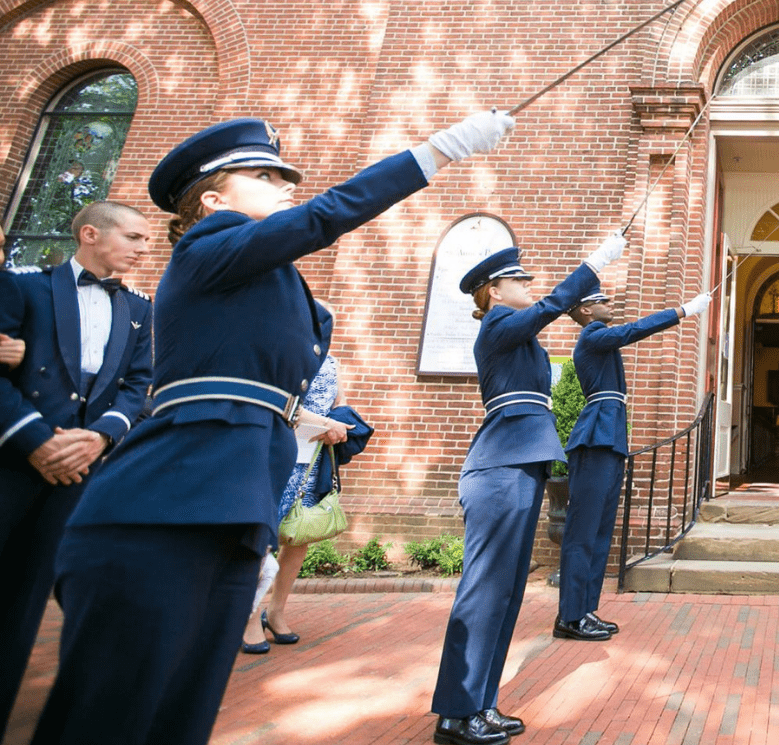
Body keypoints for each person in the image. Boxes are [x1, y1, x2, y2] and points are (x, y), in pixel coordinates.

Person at [29, 111, 513, 745]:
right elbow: (322, 218)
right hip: (162, 505)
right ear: (212, 198)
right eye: (265, 173)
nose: (288, 181)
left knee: (182, 713)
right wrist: (438, 151)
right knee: (112, 718)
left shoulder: (260, 270)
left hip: (233, 502)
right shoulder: (209, 247)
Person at [430, 236, 625, 745]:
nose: (527, 285)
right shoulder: (498, 326)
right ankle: (456, 712)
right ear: (493, 292)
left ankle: (481, 703)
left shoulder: (520, 339)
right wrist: (596, 262)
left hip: (522, 463)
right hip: (499, 466)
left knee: (507, 593)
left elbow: (544, 316)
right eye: (517, 280)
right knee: (484, 593)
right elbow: (552, 305)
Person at [0, 201, 153, 735]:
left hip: (78, 472)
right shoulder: (24, 288)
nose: (142, 249)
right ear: (91, 233)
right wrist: (36, 441)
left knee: (21, 611)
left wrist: (99, 438)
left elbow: (139, 386)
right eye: (134, 237)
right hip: (13, 463)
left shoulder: (139, 309)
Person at [554, 285, 710, 640]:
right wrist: (684, 311)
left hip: (609, 437)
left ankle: (584, 611)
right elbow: (634, 331)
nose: (609, 304)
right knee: (583, 532)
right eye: (601, 300)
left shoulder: (598, 336)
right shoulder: (593, 335)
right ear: (585, 311)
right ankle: (569, 616)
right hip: (596, 438)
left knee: (600, 531)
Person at [240, 309, 364, 656]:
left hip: (312, 462)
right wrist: (325, 423)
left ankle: (276, 611)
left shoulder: (333, 362)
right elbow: (280, 406)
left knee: (298, 537)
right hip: (275, 458)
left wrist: (340, 423)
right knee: (264, 539)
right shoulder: (280, 356)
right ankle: (249, 617)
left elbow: (340, 401)